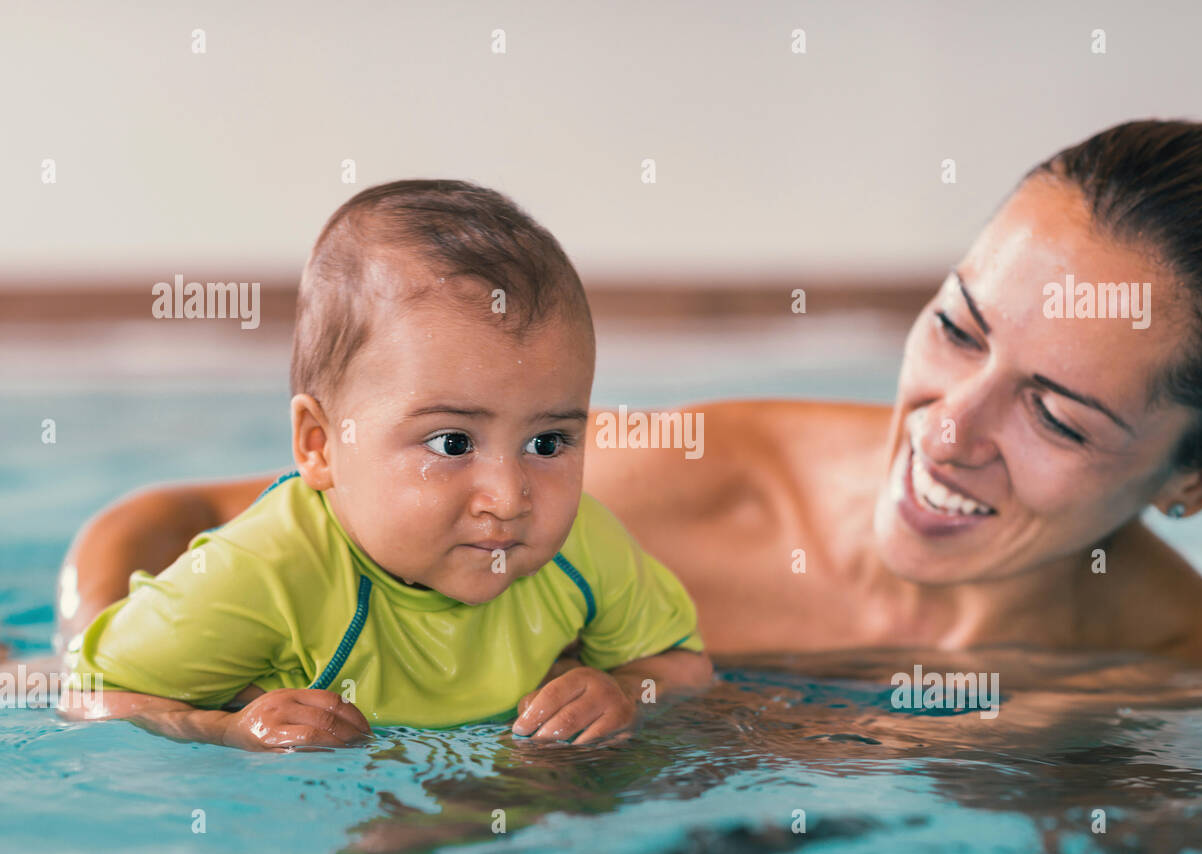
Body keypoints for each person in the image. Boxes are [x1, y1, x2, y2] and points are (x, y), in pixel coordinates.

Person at [59, 120, 1202, 683]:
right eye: (958, 329)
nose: (946, 429)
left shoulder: (1184, 683)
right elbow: (157, 525)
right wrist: (115, 695)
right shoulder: (688, 475)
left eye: (1059, 416)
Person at [56, 180, 712, 751]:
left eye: (547, 443)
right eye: (453, 443)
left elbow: (682, 666)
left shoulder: (583, 546)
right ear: (319, 444)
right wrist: (226, 729)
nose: (509, 496)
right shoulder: (264, 574)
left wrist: (625, 691)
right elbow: (89, 695)